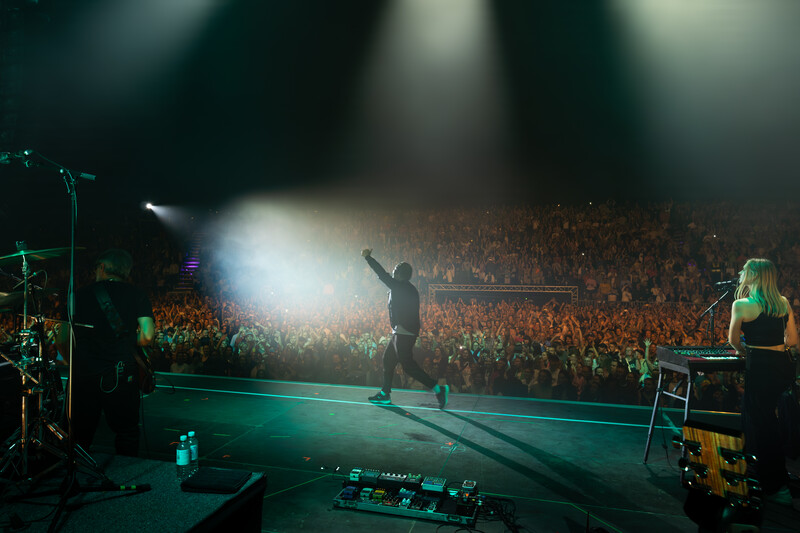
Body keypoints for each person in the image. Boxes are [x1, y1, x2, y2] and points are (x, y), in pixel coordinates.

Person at [57, 249, 155, 456]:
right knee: (126, 431)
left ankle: (79, 478)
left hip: (84, 373)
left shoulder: (78, 295)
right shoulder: (137, 294)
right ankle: (128, 476)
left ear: (101, 267)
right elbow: (147, 336)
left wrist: (71, 362)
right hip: (120, 373)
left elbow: (63, 338)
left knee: (78, 435)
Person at [728, 258, 798, 506]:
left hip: (759, 367)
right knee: (767, 420)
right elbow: (793, 340)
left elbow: (733, 340)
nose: (740, 273)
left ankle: (775, 485)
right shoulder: (782, 303)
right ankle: (768, 477)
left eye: (745, 270)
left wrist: (745, 351)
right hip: (780, 367)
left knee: (763, 425)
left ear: (755, 276)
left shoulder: (742, 305)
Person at [361, 249, 447, 408]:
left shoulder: (401, 287)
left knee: (408, 366)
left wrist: (368, 257)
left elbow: (382, 274)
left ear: (400, 273)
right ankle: (385, 394)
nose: (392, 273)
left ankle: (438, 388)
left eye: (395, 271)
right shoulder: (405, 288)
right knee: (388, 360)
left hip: (405, 332)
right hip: (400, 331)